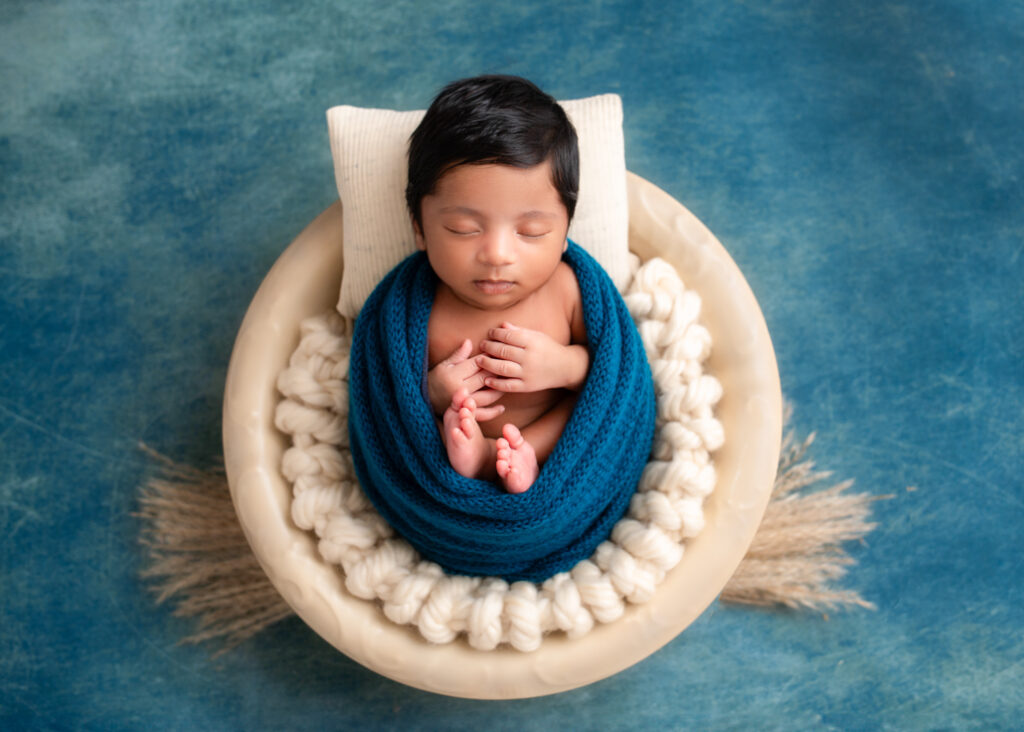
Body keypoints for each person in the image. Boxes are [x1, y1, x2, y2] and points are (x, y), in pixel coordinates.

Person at [405, 75, 589, 495]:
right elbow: (389, 395)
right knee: (439, 427)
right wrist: (432, 393)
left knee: (584, 408)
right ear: (420, 229)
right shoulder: (419, 305)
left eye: (531, 231)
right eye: (463, 228)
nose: (497, 254)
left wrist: (563, 365)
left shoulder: (566, 290)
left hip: (550, 441)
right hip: (453, 446)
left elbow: (610, 377)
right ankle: (482, 459)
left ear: (564, 234)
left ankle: (521, 456)